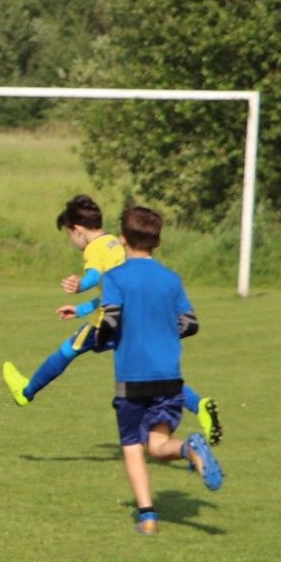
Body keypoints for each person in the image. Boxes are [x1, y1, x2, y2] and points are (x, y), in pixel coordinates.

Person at [1, 194, 222, 445]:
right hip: (131, 318)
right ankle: (199, 405)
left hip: (106, 322)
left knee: (66, 351)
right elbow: (113, 288)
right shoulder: (115, 243)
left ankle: (27, 391)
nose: (72, 241)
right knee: (155, 376)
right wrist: (81, 309)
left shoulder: (94, 248)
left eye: (69, 235)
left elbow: (94, 276)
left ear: (77, 230)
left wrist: (80, 284)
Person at [99, 205, 223, 534]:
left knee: (131, 446)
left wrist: (101, 338)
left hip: (132, 377)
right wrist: (164, 333)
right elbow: (190, 323)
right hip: (169, 377)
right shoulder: (171, 279)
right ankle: (188, 448)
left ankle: (148, 517)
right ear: (158, 242)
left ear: (123, 239)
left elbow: (110, 320)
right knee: (157, 445)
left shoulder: (115, 277)